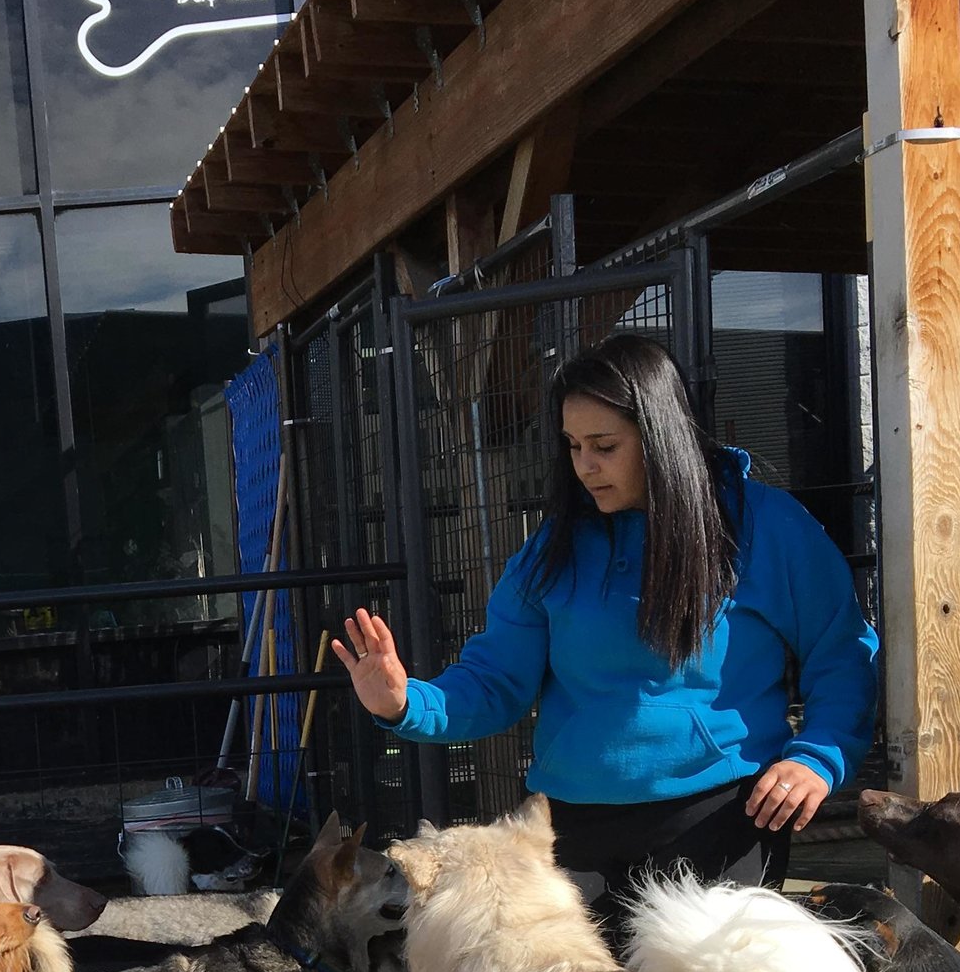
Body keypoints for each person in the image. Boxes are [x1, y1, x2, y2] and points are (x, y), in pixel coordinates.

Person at [333, 332, 877, 933]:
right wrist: (406, 702)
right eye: (572, 446)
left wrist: (818, 757)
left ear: (661, 437)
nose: (584, 465)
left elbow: (842, 654)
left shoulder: (766, 527)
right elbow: (495, 681)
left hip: (721, 812)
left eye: (605, 445)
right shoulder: (554, 546)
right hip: (572, 824)